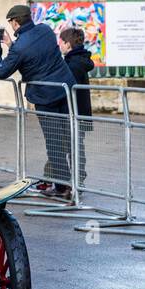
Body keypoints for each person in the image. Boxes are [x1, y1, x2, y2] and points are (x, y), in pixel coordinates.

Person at [0, 4, 77, 201]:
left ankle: (63, 188)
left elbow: (2, 71)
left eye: (10, 22)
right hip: (65, 89)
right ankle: (75, 182)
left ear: (15, 22)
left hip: (45, 96)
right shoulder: (45, 30)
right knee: (69, 137)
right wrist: (12, 46)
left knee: (54, 141)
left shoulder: (20, 47)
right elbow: (33, 54)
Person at [58, 24, 94, 186]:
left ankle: (77, 180)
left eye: (61, 41)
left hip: (73, 112)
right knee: (73, 146)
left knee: (74, 147)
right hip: (79, 111)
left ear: (68, 44)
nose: (59, 44)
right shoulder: (77, 61)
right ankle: (72, 179)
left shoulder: (73, 64)